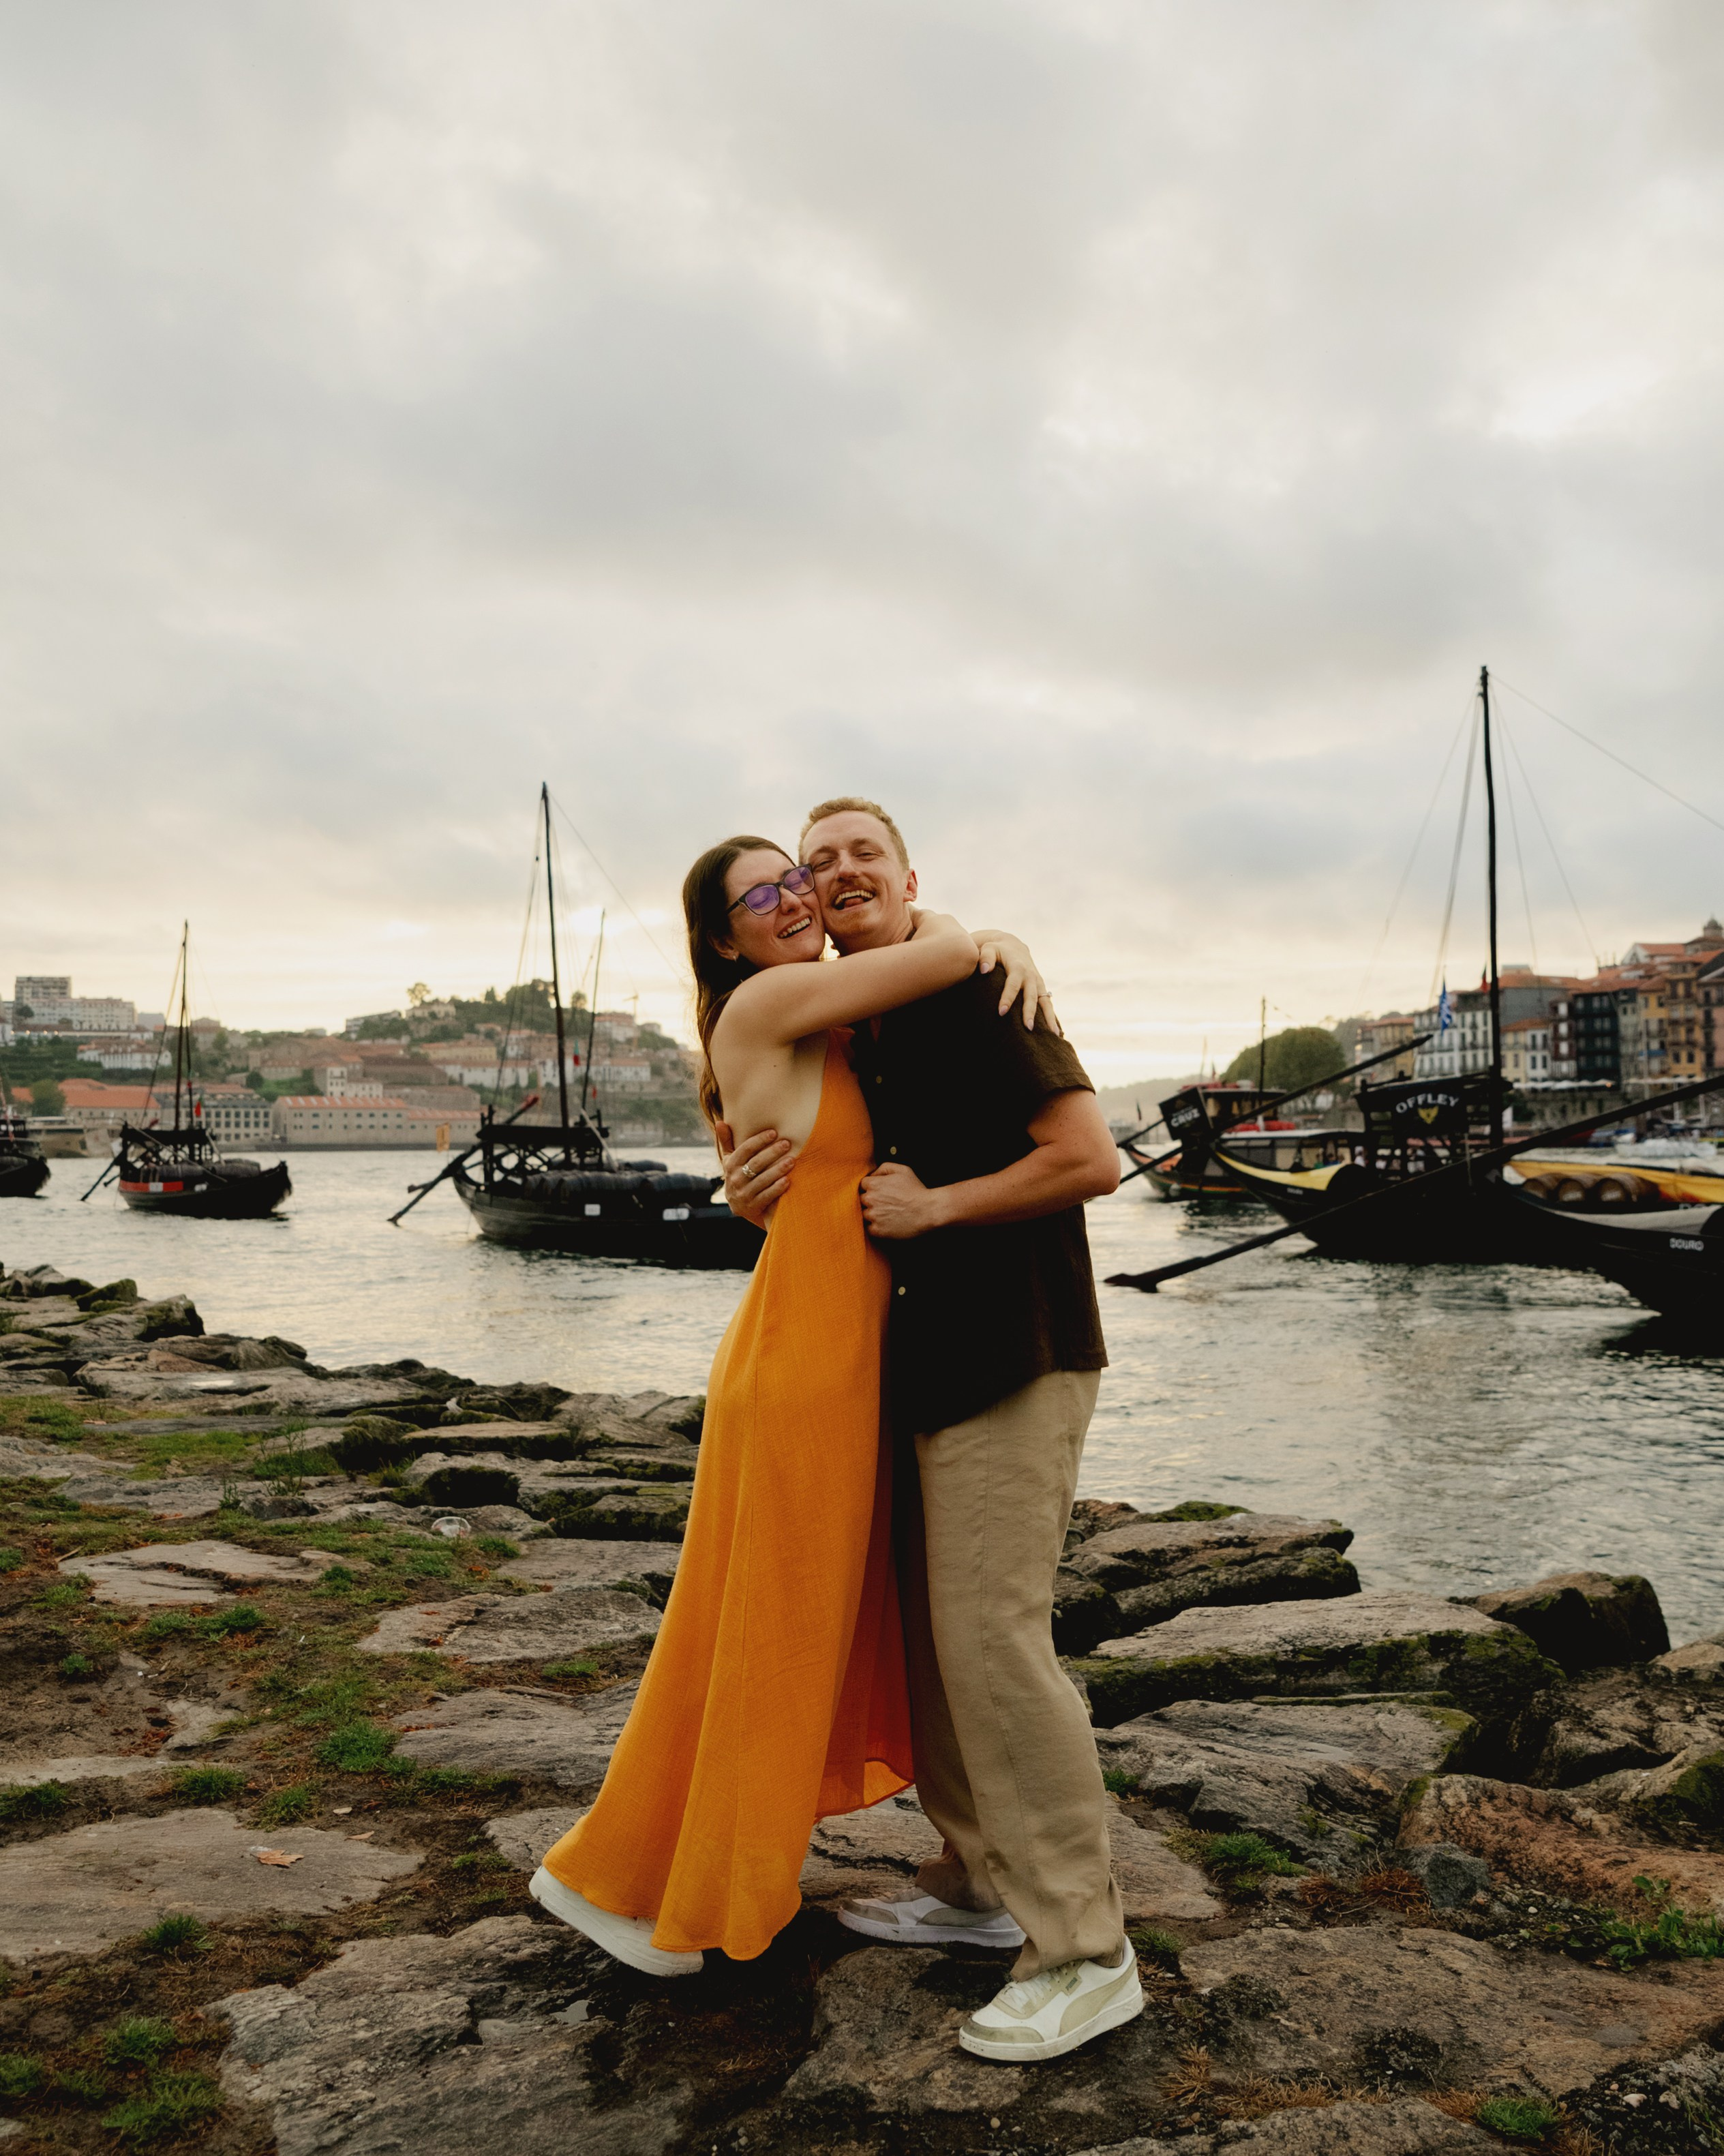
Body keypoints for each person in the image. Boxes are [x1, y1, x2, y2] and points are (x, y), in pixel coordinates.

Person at [530, 833, 1044, 1975]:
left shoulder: (819, 1022)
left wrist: (979, 947)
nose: (793, 897)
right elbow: (941, 950)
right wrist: (986, 937)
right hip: (802, 1365)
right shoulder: (770, 1001)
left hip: (838, 1358)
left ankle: (649, 1873)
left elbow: (805, 1173)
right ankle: (658, 1887)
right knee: (768, 1639)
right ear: (724, 935)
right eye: (761, 890)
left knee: (763, 1635)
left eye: (794, 879)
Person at [723, 797, 1137, 2065]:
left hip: (1012, 1356)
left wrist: (943, 1207)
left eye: (863, 854)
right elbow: (828, 1198)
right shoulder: (853, 1023)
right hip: (901, 1378)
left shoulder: (981, 995)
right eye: (818, 859)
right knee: (937, 1645)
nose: (838, 872)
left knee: (994, 1641)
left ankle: (1083, 1950)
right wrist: (753, 1193)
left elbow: (1090, 1158)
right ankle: (969, 1880)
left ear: (908, 878)